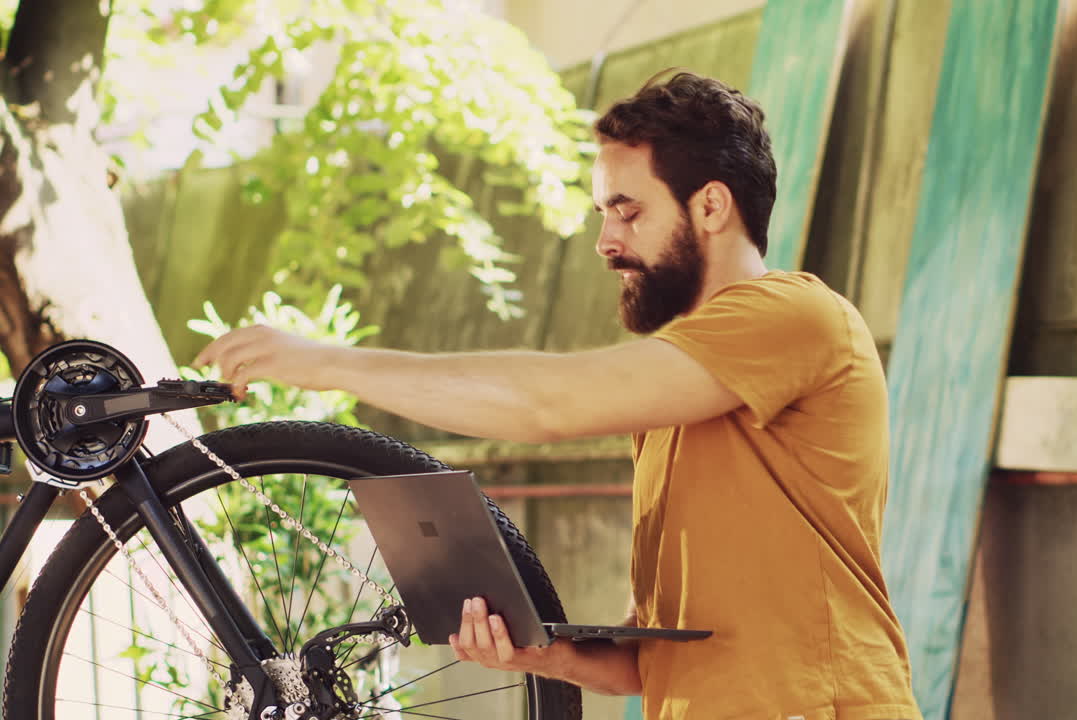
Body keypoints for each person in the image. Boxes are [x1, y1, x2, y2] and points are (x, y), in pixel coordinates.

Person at [196, 71, 921, 720]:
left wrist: (331, 364)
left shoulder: (795, 316)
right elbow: (649, 664)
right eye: (602, 213)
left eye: (628, 211)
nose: (605, 242)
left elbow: (546, 404)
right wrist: (532, 652)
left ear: (711, 206)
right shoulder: (676, 406)